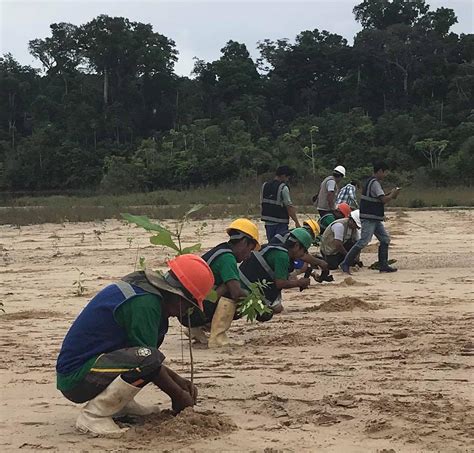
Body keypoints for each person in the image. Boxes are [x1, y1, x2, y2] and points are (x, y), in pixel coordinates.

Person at [56, 255, 214, 437]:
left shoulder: (147, 291)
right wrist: (178, 395)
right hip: (76, 379)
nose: (187, 311)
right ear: (179, 296)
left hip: (92, 366)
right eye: (189, 305)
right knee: (148, 357)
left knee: (147, 355)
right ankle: (94, 415)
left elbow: (143, 354)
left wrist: (179, 381)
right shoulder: (146, 304)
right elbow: (149, 362)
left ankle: (120, 403)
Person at [184, 218, 260, 348]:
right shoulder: (227, 259)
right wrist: (255, 301)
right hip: (196, 312)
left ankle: (195, 329)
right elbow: (236, 293)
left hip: (186, 310)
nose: (248, 256)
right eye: (250, 250)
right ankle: (218, 338)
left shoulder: (220, 250)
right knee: (236, 296)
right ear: (244, 242)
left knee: (226, 287)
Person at [340, 161, 401, 274]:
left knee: (385, 239)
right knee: (363, 242)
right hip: (369, 217)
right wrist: (392, 194)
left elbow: (379, 198)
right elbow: (383, 200)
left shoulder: (370, 182)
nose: (385, 175)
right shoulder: (375, 183)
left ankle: (383, 265)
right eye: (385, 172)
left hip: (374, 218)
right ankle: (345, 263)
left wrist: (392, 194)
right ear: (379, 171)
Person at [239, 227, 313, 318]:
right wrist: (299, 283)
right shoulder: (282, 257)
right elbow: (280, 283)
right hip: (244, 290)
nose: (304, 254)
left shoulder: (279, 249)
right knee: (268, 313)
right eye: (304, 250)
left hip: (241, 283)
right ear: (297, 246)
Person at [261, 165, 300, 241]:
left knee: (271, 244)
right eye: (287, 177)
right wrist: (297, 222)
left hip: (268, 222)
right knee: (280, 245)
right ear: (283, 176)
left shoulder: (264, 186)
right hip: (280, 223)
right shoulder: (283, 188)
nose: (288, 180)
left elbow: (262, 203)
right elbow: (289, 207)